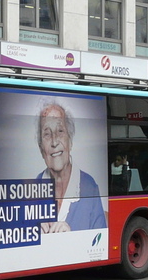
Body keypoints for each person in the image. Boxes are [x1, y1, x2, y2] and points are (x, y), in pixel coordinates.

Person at [34, 99, 106, 232]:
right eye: (47, 134)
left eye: (60, 131)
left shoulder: (89, 186)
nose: (54, 142)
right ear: (41, 148)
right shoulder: (32, 188)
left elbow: (99, 239)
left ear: (70, 141)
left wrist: (72, 238)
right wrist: (33, 232)